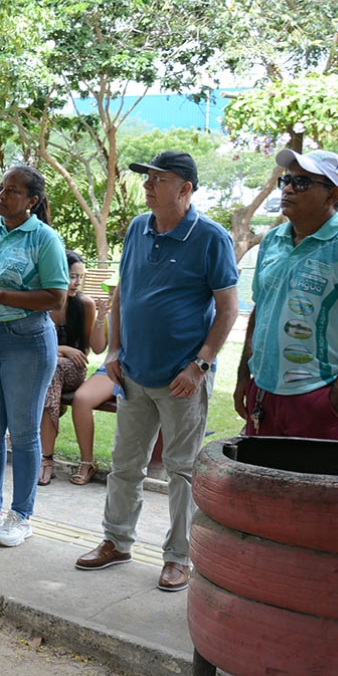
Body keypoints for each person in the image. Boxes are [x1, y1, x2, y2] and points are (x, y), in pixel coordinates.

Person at [77, 150, 237, 594]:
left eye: (158, 178)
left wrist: (200, 365)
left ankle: (178, 557)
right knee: (125, 465)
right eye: (146, 177)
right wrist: (114, 348)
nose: (147, 185)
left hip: (182, 380)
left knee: (182, 471)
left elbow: (228, 309)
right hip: (133, 372)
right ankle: (116, 541)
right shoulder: (137, 228)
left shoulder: (211, 238)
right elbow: (124, 292)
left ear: (184, 189)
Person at [0, 165, 68, 549]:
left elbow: (56, 297)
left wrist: (3, 296)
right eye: (1, 188)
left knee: (22, 433)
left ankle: (21, 515)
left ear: (32, 201)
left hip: (27, 341)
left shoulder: (44, 239)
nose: (2, 196)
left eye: (13, 191)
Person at [234, 148, 338, 442]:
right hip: (264, 394)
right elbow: (261, 311)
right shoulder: (272, 241)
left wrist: (333, 402)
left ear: (333, 195)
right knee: (262, 484)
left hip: (317, 397)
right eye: (287, 180)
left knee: (316, 486)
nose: (287, 189)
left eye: (301, 183)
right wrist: (244, 377)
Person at [38, 251, 99, 486]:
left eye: (80, 278)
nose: (77, 283)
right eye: (72, 276)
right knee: (50, 367)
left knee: (54, 368)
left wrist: (62, 353)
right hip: (43, 367)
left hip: (72, 371)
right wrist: (62, 348)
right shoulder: (42, 302)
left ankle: (46, 459)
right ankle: (43, 455)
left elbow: (83, 352)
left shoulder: (85, 304)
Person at [58, 294, 119, 485]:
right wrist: (101, 318)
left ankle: (130, 469)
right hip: (115, 367)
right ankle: (87, 462)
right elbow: (99, 348)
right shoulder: (116, 313)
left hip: (148, 372)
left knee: (137, 402)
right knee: (82, 398)